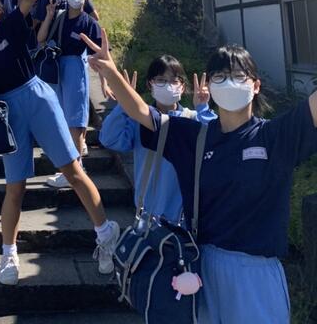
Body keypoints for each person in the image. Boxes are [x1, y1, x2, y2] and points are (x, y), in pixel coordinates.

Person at [82, 36, 317, 324]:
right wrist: (110, 71)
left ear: (256, 86)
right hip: (201, 267)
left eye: (238, 76)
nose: (229, 83)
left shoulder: (276, 137)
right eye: (220, 76)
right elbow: (143, 113)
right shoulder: (195, 137)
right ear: (209, 86)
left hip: (256, 276)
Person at [0, 0, 121, 286]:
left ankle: (106, 234)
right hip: (7, 111)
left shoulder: (9, 26)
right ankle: (9, 254)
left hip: (36, 97)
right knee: (15, 187)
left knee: (73, 170)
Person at [99, 55, 216, 223]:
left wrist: (203, 108)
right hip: (148, 218)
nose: (168, 85)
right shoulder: (139, 119)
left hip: (186, 219)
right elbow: (109, 139)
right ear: (150, 84)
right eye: (161, 80)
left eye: (174, 81)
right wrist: (125, 104)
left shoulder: (193, 118)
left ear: (183, 86)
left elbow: (217, 140)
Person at [37, 0, 104, 188]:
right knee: (62, 121)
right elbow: (41, 38)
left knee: (75, 121)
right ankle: (70, 170)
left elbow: (101, 55)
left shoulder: (89, 23)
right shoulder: (59, 17)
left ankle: (75, 169)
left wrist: (105, 83)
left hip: (76, 69)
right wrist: (49, 15)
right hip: (56, 70)